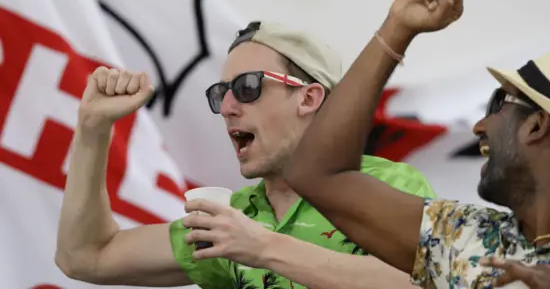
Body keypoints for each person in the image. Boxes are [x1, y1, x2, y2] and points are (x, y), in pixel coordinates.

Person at [283, 0, 550, 288]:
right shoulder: (461, 237)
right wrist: (397, 29)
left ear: (536, 125)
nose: (480, 125)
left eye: (497, 104)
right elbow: (316, 174)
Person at [55, 20, 437, 289]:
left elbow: (434, 280)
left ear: (309, 97)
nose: (227, 108)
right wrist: (92, 128)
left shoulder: (387, 183)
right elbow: (85, 257)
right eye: (221, 94)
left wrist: (263, 247)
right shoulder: (234, 217)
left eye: (248, 86)